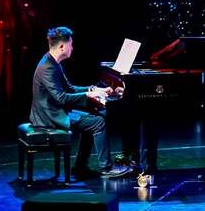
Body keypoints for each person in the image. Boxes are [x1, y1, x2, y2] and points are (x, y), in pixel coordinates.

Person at [29, 26, 131, 179]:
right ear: (62, 46)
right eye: (70, 44)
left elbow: (69, 88)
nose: (72, 48)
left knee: (94, 115)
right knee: (98, 122)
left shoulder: (53, 62)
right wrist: (89, 95)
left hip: (53, 110)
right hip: (49, 116)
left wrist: (95, 89)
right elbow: (61, 98)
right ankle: (107, 167)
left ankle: (80, 166)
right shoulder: (47, 68)